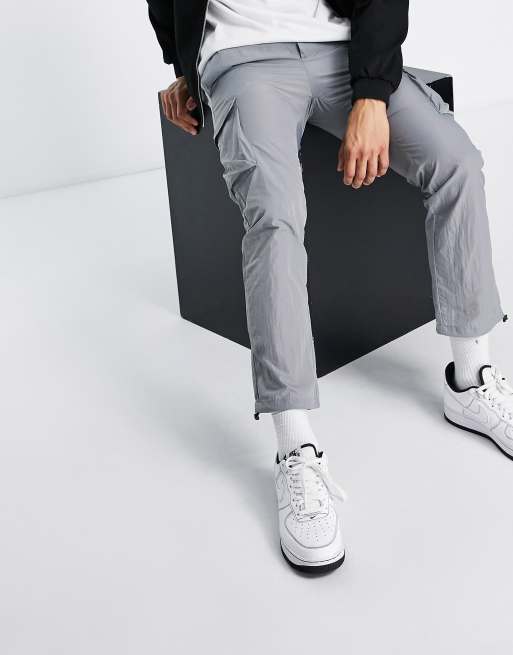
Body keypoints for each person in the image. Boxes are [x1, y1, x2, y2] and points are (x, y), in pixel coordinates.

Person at [145, 0, 510, 574]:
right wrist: (185, 68)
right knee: (274, 215)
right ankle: (295, 448)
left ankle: (471, 381)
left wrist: (372, 94)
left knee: (457, 162)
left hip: (342, 48)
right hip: (242, 59)